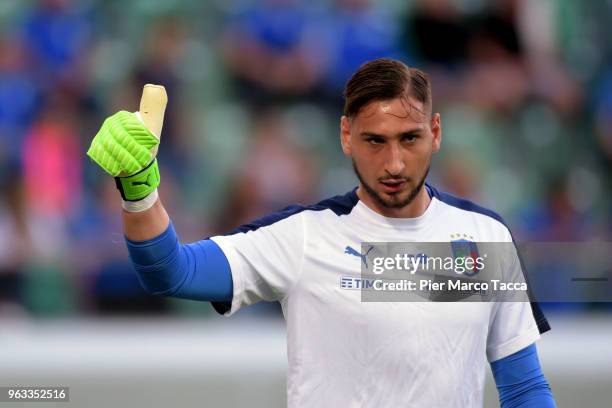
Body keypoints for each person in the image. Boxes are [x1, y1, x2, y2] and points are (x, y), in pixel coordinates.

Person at [87, 58, 556, 407]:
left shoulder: (485, 238)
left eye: (409, 138)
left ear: (435, 132)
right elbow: (172, 272)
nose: (394, 163)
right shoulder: (304, 237)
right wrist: (139, 189)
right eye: (375, 141)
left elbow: (524, 388)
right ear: (347, 135)